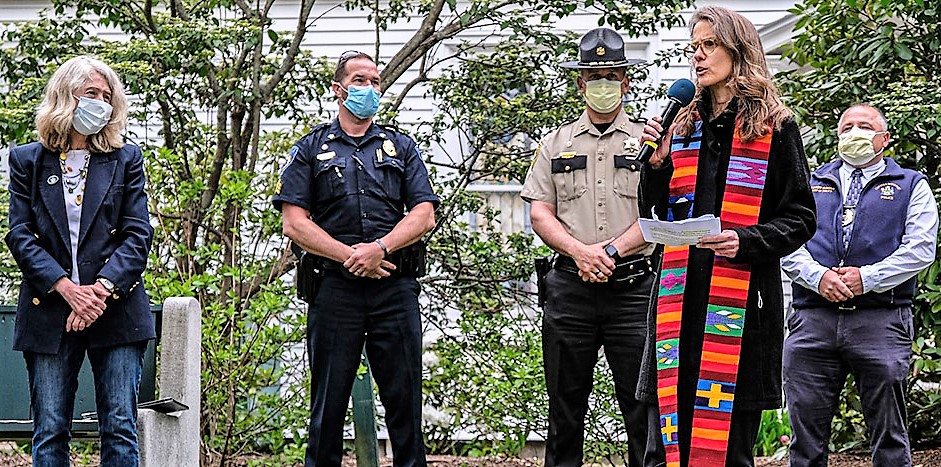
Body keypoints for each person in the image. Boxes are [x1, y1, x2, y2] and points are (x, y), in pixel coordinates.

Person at [636, 6, 817, 467]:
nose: (697, 57)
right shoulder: (680, 125)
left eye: (708, 45)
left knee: (730, 453)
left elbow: (800, 216)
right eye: (692, 48)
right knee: (662, 453)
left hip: (739, 310)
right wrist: (653, 168)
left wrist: (746, 241)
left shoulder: (775, 127)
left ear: (739, 50)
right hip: (677, 310)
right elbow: (654, 214)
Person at [273, 51, 438, 467]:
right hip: (334, 290)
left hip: (393, 289)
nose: (370, 88)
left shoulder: (401, 146)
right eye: (361, 79)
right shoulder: (310, 149)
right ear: (339, 89)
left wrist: (379, 250)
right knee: (327, 409)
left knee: (405, 406)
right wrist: (353, 257)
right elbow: (294, 223)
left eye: (376, 81)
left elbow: (424, 213)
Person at [520, 27, 663, 467]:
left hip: (633, 290)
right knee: (564, 410)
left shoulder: (649, 142)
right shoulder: (555, 143)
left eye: (612, 74)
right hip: (570, 289)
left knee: (643, 409)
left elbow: (659, 214)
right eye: (594, 75)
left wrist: (611, 253)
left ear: (626, 79)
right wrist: (582, 253)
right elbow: (541, 211)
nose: (604, 83)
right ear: (581, 83)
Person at [5, 56, 155, 466]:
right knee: (50, 429)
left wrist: (99, 291)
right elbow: (19, 234)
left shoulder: (127, 159)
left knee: (119, 426)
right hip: (50, 307)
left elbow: (137, 234)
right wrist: (68, 290)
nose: (102, 104)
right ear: (65, 96)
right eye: (92, 94)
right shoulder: (27, 161)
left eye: (107, 97)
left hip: (117, 307)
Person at [781, 104, 938, 467]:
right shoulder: (809, 182)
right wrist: (819, 277)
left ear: (885, 139)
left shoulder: (911, 185)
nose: (855, 133)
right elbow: (786, 242)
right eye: (847, 126)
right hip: (812, 320)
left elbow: (920, 249)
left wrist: (866, 279)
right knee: (804, 440)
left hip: (880, 320)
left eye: (865, 126)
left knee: (889, 438)